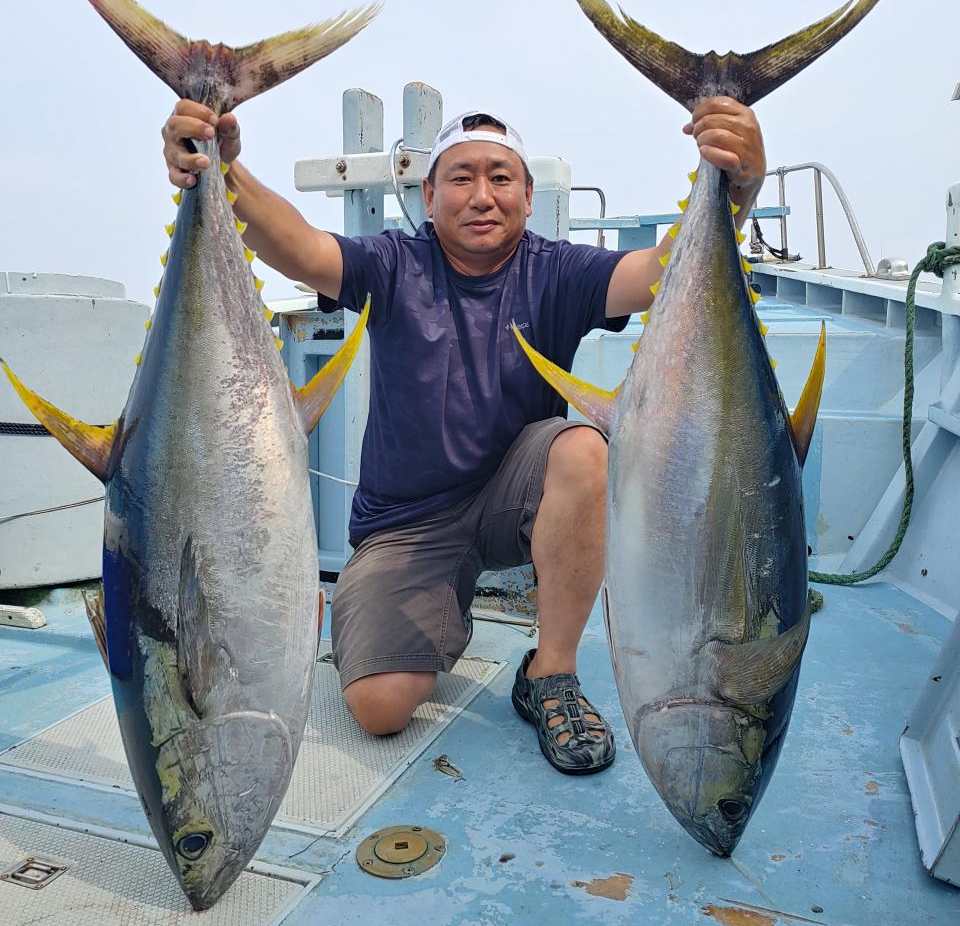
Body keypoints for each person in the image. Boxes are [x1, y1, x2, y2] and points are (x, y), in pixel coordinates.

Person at [161, 98, 766, 775]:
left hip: (515, 498)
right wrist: (224, 166)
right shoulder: (395, 264)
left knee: (584, 450)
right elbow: (300, 248)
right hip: (406, 526)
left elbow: (657, 275)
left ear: (529, 197)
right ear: (428, 195)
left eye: (501, 178)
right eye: (461, 177)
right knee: (379, 707)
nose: (482, 195)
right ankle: (432, 608)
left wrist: (737, 188)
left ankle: (550, 673)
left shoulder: (558, 270)